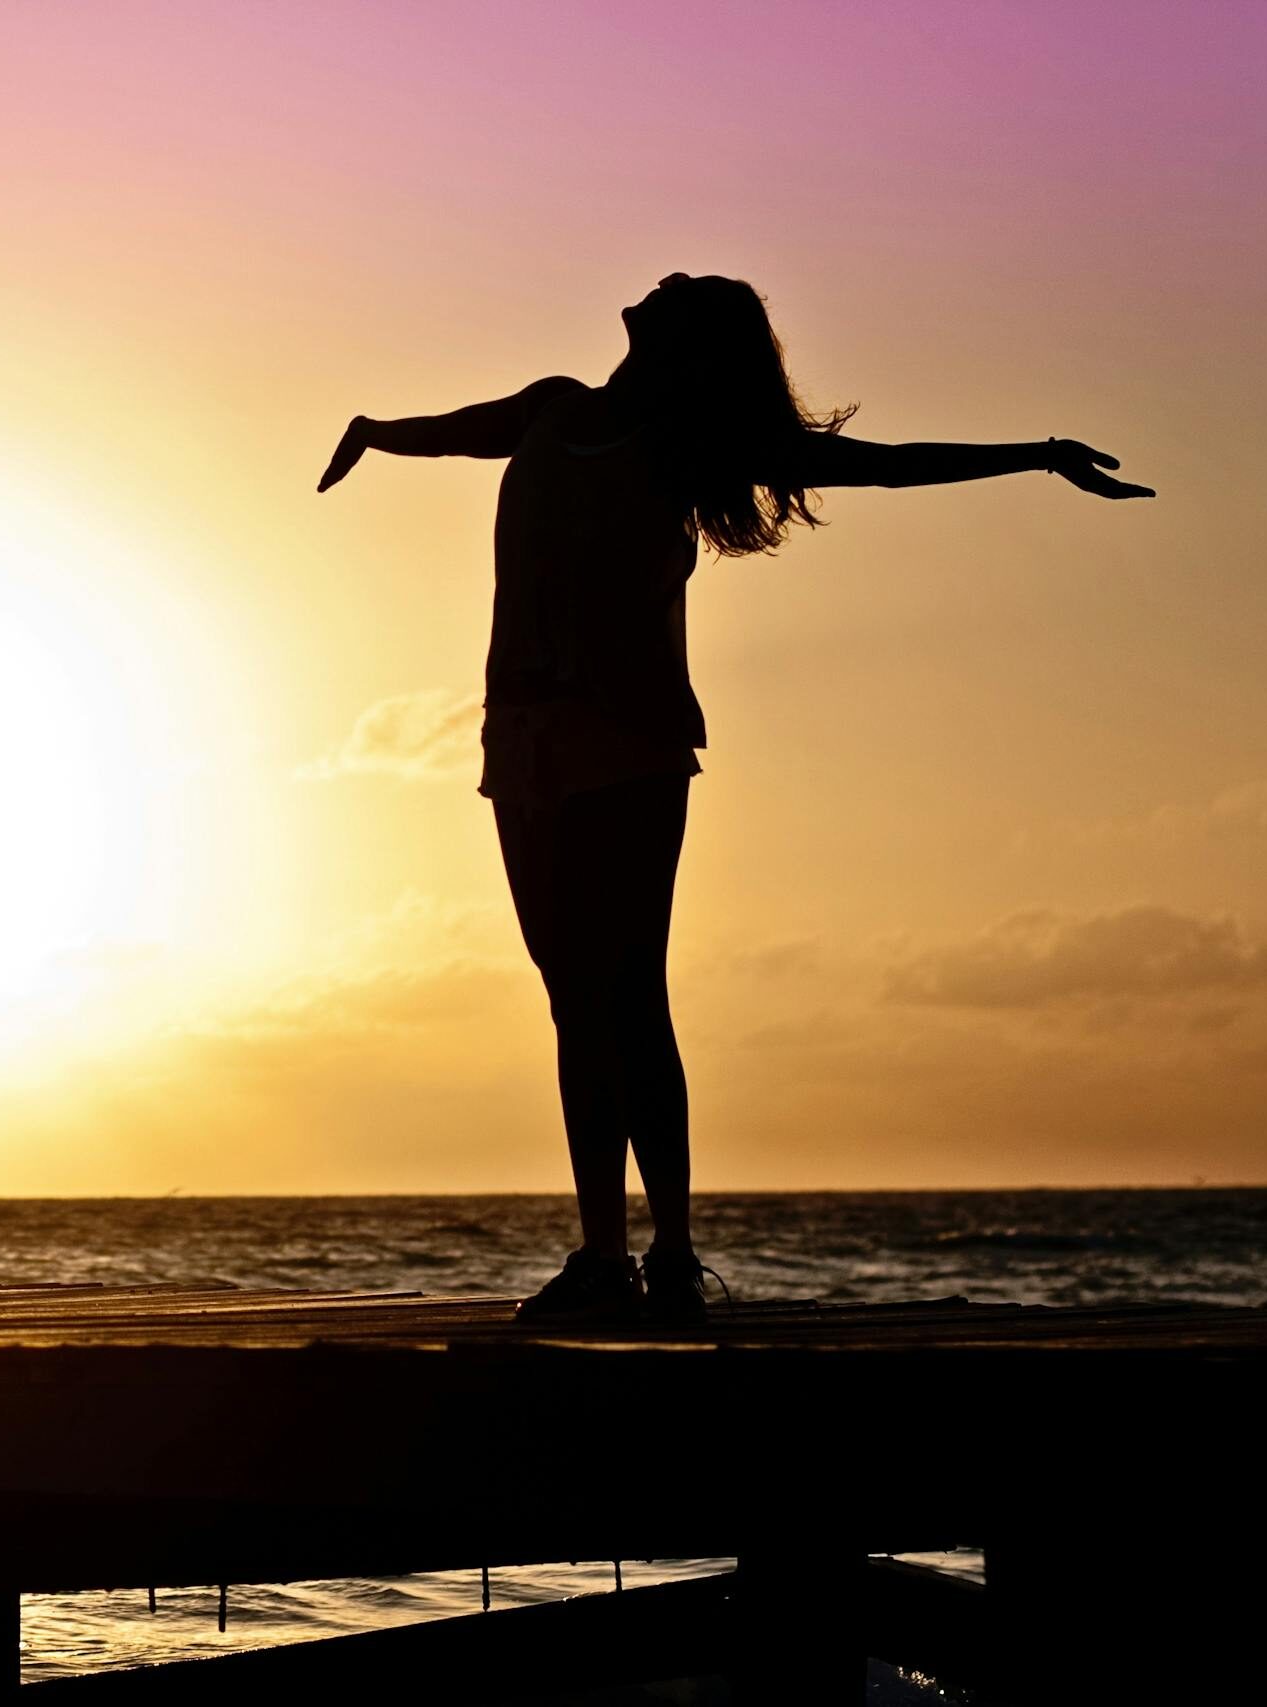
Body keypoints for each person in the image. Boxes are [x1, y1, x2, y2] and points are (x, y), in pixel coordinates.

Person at [315, 273, 1152, 1324]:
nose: (654, 286)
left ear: (685, 344)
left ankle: (666, 1253)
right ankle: (602, 1255)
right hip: (518, 744)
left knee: (627, 992)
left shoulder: (684, 446)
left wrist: (1034, 455)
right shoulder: (551, 409)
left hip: (629, 742)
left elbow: (881, 470)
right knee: (573, 1002)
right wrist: (372, 430)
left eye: (679, 295)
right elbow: (446, 433)